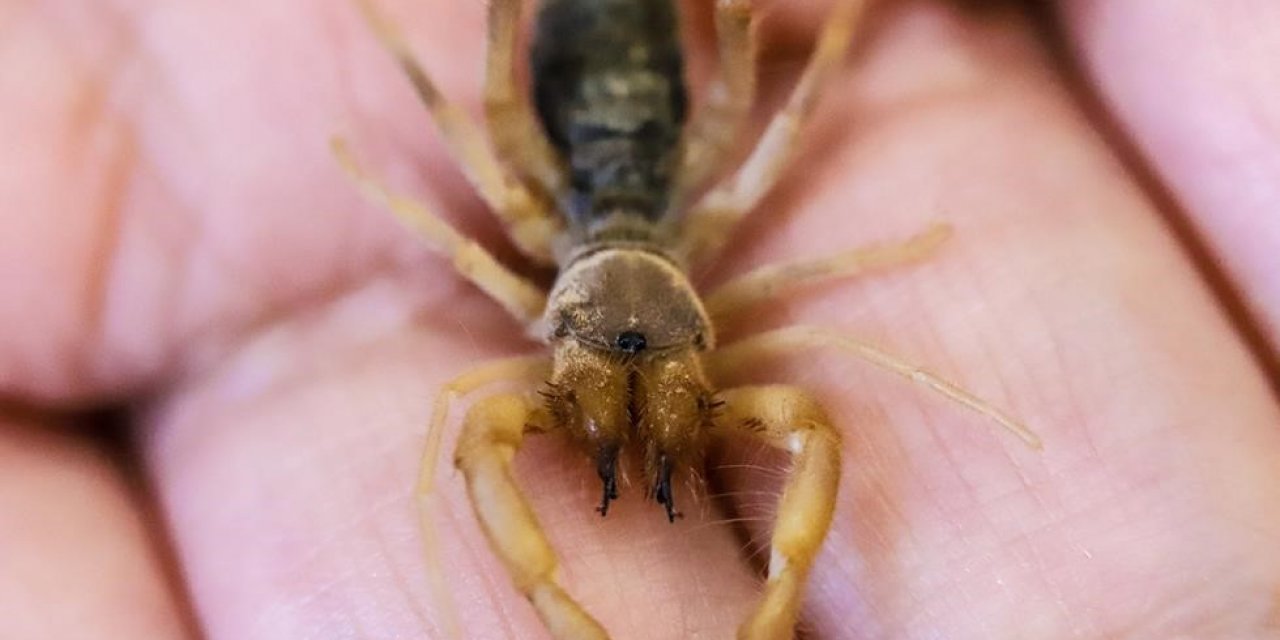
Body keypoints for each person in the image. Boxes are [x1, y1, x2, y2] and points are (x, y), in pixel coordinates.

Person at [1, 0, 1277, 637]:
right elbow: (460, 227)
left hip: (623, 171)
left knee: (754, 93)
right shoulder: (581, 291)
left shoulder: (689, 295)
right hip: (612, 153)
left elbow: (785, 142)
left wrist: (775, 593)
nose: (620, 385)